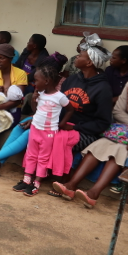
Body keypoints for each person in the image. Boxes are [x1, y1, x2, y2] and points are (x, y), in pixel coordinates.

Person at [52, 54, 128, 207]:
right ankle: (70, 186)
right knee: (98, 147)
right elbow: (117, 111)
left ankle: (93, 193)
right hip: (120, 132)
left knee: (120, 150)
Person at [0, 37, 112, 177]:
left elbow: (102, 123)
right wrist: (36, 117)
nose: (76, 56)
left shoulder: (102, 89)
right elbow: (55, 105)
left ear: (89, 62)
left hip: (83, 131)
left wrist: (74, 127)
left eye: (81, 55)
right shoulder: (73, 79)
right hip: (58, 122)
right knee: (22, 125)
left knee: (32, 132)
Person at [13, 64, 75, 196]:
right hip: (35, 128)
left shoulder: (60, 97)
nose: (34, 83)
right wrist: (34, 99)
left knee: (43, 158)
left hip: (48, 133)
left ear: (46, 81)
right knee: (31, 155)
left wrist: (62, 124)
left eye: (36, 80)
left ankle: (36, 183)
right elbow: (35, 111)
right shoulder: (40, 94)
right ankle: (26, 180)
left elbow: (70, 109)